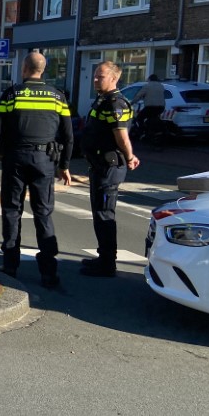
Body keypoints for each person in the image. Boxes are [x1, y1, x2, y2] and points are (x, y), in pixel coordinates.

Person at [0, 52, 73, 289]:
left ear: (24, 68)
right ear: (43, 70)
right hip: (45, 160)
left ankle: (10, 265)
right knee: (43, 213)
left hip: (16, 158)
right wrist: (64, 165)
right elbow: (68, 136)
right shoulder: (57, 96)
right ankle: (48, 272)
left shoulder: (12, 94)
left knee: (12, 210)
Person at [80, 61, 140, 277]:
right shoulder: (103, 100)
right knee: (99, 213)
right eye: (95, 76)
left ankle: (107, 264)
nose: (96, 79)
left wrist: (131, 156)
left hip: (109, 166)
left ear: (114, 78)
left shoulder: (115, 103)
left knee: (105, 214)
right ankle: (103, 257)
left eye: (100, 76)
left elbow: (121, 135)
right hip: (100, 165)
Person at [131, 74, 166, 140]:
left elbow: (139, 95)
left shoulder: (147, 86)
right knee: (153, 118)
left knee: (139, 118)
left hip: (150, 107)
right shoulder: (161, 86)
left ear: (150, 79)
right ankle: (154, 131)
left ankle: (143, 132)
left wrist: (132, 102)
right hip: (161, 107)